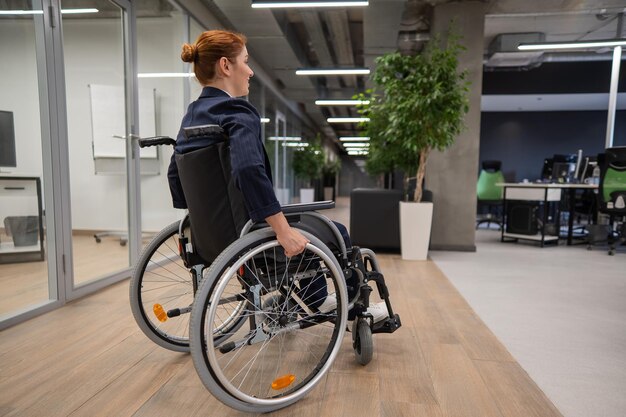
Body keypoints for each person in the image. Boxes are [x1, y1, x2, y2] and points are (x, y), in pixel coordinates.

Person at [168, 30, 387, 322]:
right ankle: (345, 305)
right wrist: (282, 231)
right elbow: (248, 170)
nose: (250, 70)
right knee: (335, 231)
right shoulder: (237, 112)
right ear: (225, 66)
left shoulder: (192, 116)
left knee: (303, 226)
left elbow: (175, 173)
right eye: (245, 61)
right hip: (248, 234)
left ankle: (313, 296)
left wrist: (199, 215)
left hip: (210, 238)